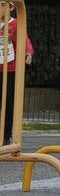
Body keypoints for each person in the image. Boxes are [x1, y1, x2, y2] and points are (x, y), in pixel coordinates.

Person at [1, 10, 34, 147]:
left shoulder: (15, 24)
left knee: (8, 103)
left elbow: (24, 39)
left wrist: (28, 52)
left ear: (11, 8)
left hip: (10, 70)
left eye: (3, 4)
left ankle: (5, 136)